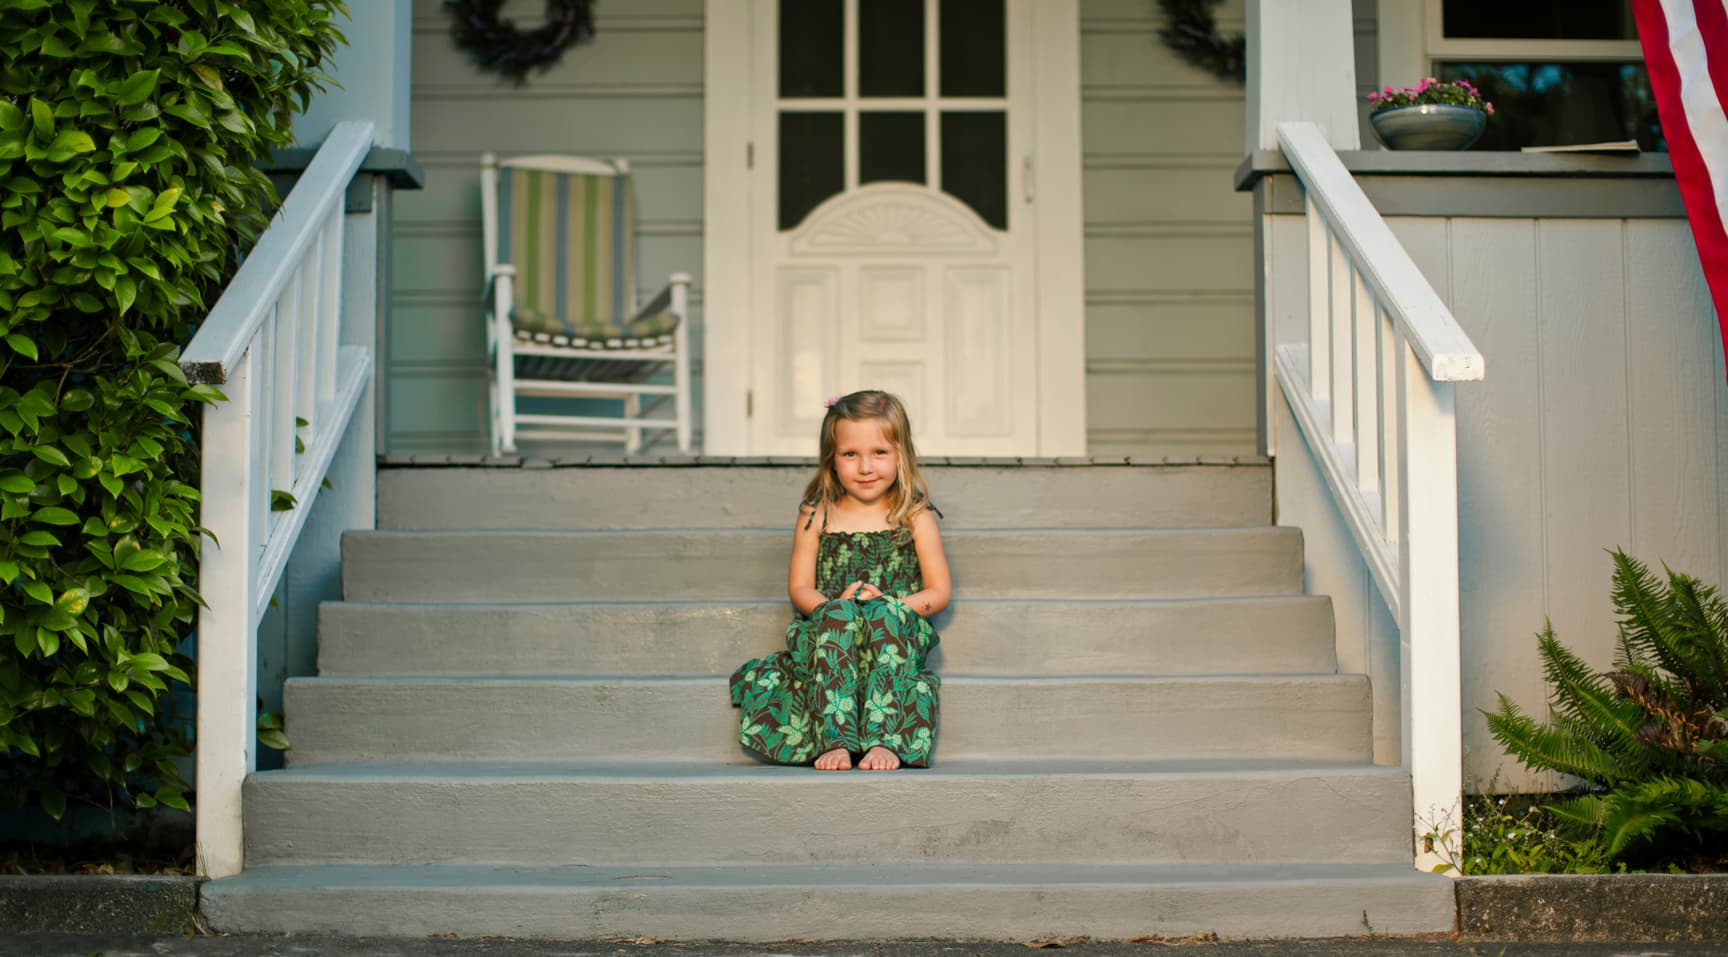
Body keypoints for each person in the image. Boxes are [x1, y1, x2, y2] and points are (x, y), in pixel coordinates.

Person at [729, 390, 951, 771]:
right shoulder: (816, 514)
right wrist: (835, 607)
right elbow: (799, 587)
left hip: (892, 631)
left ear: (902, 455)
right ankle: (835, 739)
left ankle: (886, 740)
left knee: (882, 617)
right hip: (832, 630)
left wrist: (890, 606)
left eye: (879, 453)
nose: (865, 467)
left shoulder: (915, 516)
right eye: (851, 454)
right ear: (831, 460)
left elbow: (938, 591)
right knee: (840, 620)